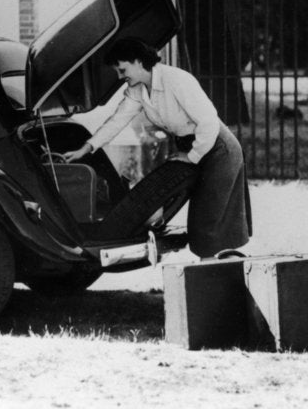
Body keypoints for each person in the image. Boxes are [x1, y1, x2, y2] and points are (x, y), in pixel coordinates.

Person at [61, 37, 250, 258]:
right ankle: (209, 270)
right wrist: (86, 147)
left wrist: (193, 155)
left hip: (217, 148)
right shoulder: (137, 89)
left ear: (139, 61)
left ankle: (215, 273)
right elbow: (117, 120)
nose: (120, 77)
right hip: (192, 146)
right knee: (194, 216)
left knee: (209, 219)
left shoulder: (176, 80)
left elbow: (208, 122)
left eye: (122, 69)